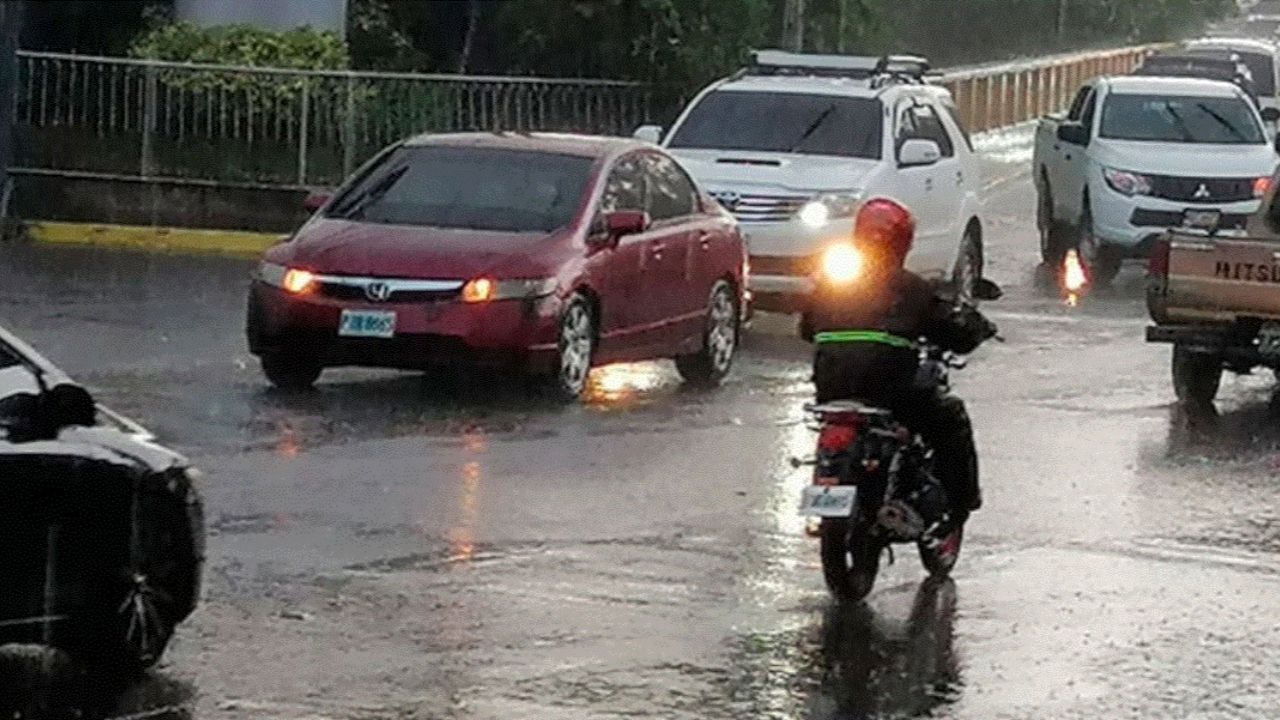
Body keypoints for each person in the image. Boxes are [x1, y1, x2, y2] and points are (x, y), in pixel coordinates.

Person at [800, 197, 997, 526]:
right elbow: (954, 333)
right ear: (903, 241)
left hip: (831, 390)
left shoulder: (831, 284)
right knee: (950, 417)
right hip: (890, 394)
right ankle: (961, 501)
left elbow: (806, 328)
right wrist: (977, 329)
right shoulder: (913, 288)